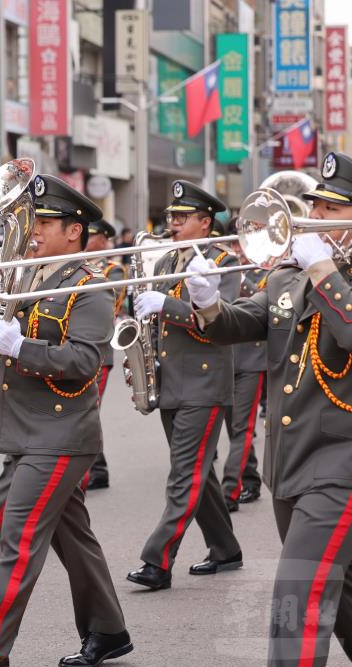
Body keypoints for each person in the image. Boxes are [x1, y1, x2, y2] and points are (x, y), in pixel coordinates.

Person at [0, 175, 131, 667]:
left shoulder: (90, 289)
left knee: (18, 539)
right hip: (29, 431)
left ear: (75, 230)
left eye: (44, 222)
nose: (32, 230)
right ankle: (108, 631)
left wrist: (18, 344)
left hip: (60, 434)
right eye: (33, 220)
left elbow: (83, 363)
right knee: (75, 539)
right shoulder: (25, 278)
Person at [188, 152, 352, 665]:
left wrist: (324, 269)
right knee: (342, 600)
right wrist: (208, 301)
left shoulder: (322, 273)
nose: (313, 218)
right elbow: (238, 324)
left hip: (341, 467)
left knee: (295, 600)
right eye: (315, 206)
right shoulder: (286, 278)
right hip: (292, 464)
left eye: (330, 210)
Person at [126, 180, 243, 591]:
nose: (171, 223)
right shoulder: (164, 262)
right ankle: (226, 549)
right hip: (172, 383)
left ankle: (157, 562)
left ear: (205, 223)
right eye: (170, 216)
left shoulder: (222, 261)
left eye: (181, 217)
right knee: (198, 473)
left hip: (205, 384)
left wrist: (168, 306)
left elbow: (220, 322)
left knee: (183, 475)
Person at [219, 219, 266, 513]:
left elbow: (262, 298)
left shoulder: (268, 271)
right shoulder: (224, 266)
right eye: (235, 242)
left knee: (242, 428)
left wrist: (236, 273)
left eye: (243, 242)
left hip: (253, 359)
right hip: (227, 357)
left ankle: (229, 491)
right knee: (234, 425)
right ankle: (250, 478)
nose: (238, 248)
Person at [84, 219, 125, 490]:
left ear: (103, 240)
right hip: (77, 350)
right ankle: (98, 469)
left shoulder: (114, 271)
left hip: (99, 352)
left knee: (87, 412)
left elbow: (107, 309)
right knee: (85, 413)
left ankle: (89, 472)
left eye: (91, 235)